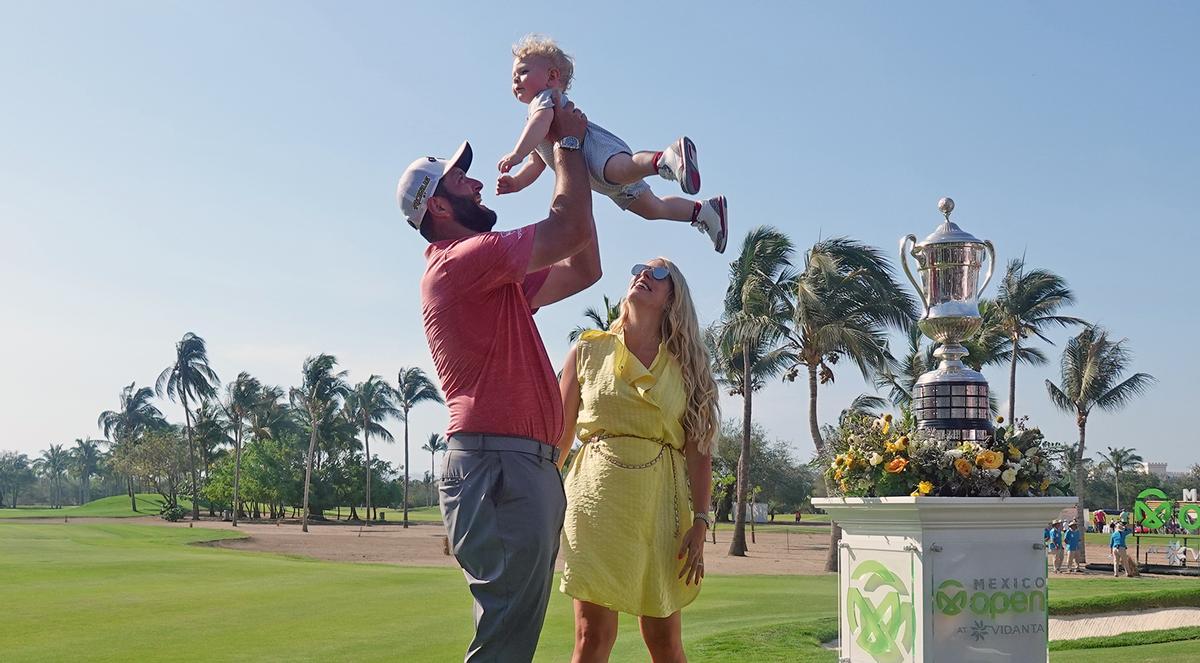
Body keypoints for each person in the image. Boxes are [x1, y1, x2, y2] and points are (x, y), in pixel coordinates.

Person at [397, 98, 597, 661]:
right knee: (505, 641)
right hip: (500, 467)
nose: (479, 183)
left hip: (515, 465)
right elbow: (569, 230)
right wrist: (568, 147)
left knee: (512, 636)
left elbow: (583, 264)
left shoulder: (488, 276)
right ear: (437, 203)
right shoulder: (463, 260)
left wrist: (584, 167)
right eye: (463, 179)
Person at [556, 258, 720, 662]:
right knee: (592, 635)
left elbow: (699, 451)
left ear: (673, 298)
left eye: (659, 272)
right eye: (639, 268)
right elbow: (558, 440)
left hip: (660, 508)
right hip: (595, 502)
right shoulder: (587, 351)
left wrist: (701, 520)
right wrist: (534, 501)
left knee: (664, 640)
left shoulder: (688, 366)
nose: (644, 274)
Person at [497, 34, 729, 253]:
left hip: (596, 152)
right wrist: (517, 182)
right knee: (653, 209)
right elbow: (536, 163)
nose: (515, 79)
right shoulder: (535, 121)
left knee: (623, 169)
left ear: (552, 77)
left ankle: (666, 158)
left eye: (523, 71)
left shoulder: (546, 99)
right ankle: (704, 211)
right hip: (600, 179)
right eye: (512, 76)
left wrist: (516, 153)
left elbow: (540, 122)